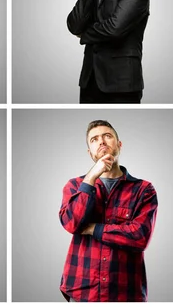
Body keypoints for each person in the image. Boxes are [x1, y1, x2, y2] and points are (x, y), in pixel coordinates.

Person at [59, 120, 157, 301]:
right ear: (90, 153)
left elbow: (140, 237)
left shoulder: (144, 189)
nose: (102, 141)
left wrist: (94, 229)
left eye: (107, 136)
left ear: (119, 145)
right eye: (94, 139)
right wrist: (91, 177)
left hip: (124, 292)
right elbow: (71, 223)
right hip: (82, 290)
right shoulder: (75, 186)